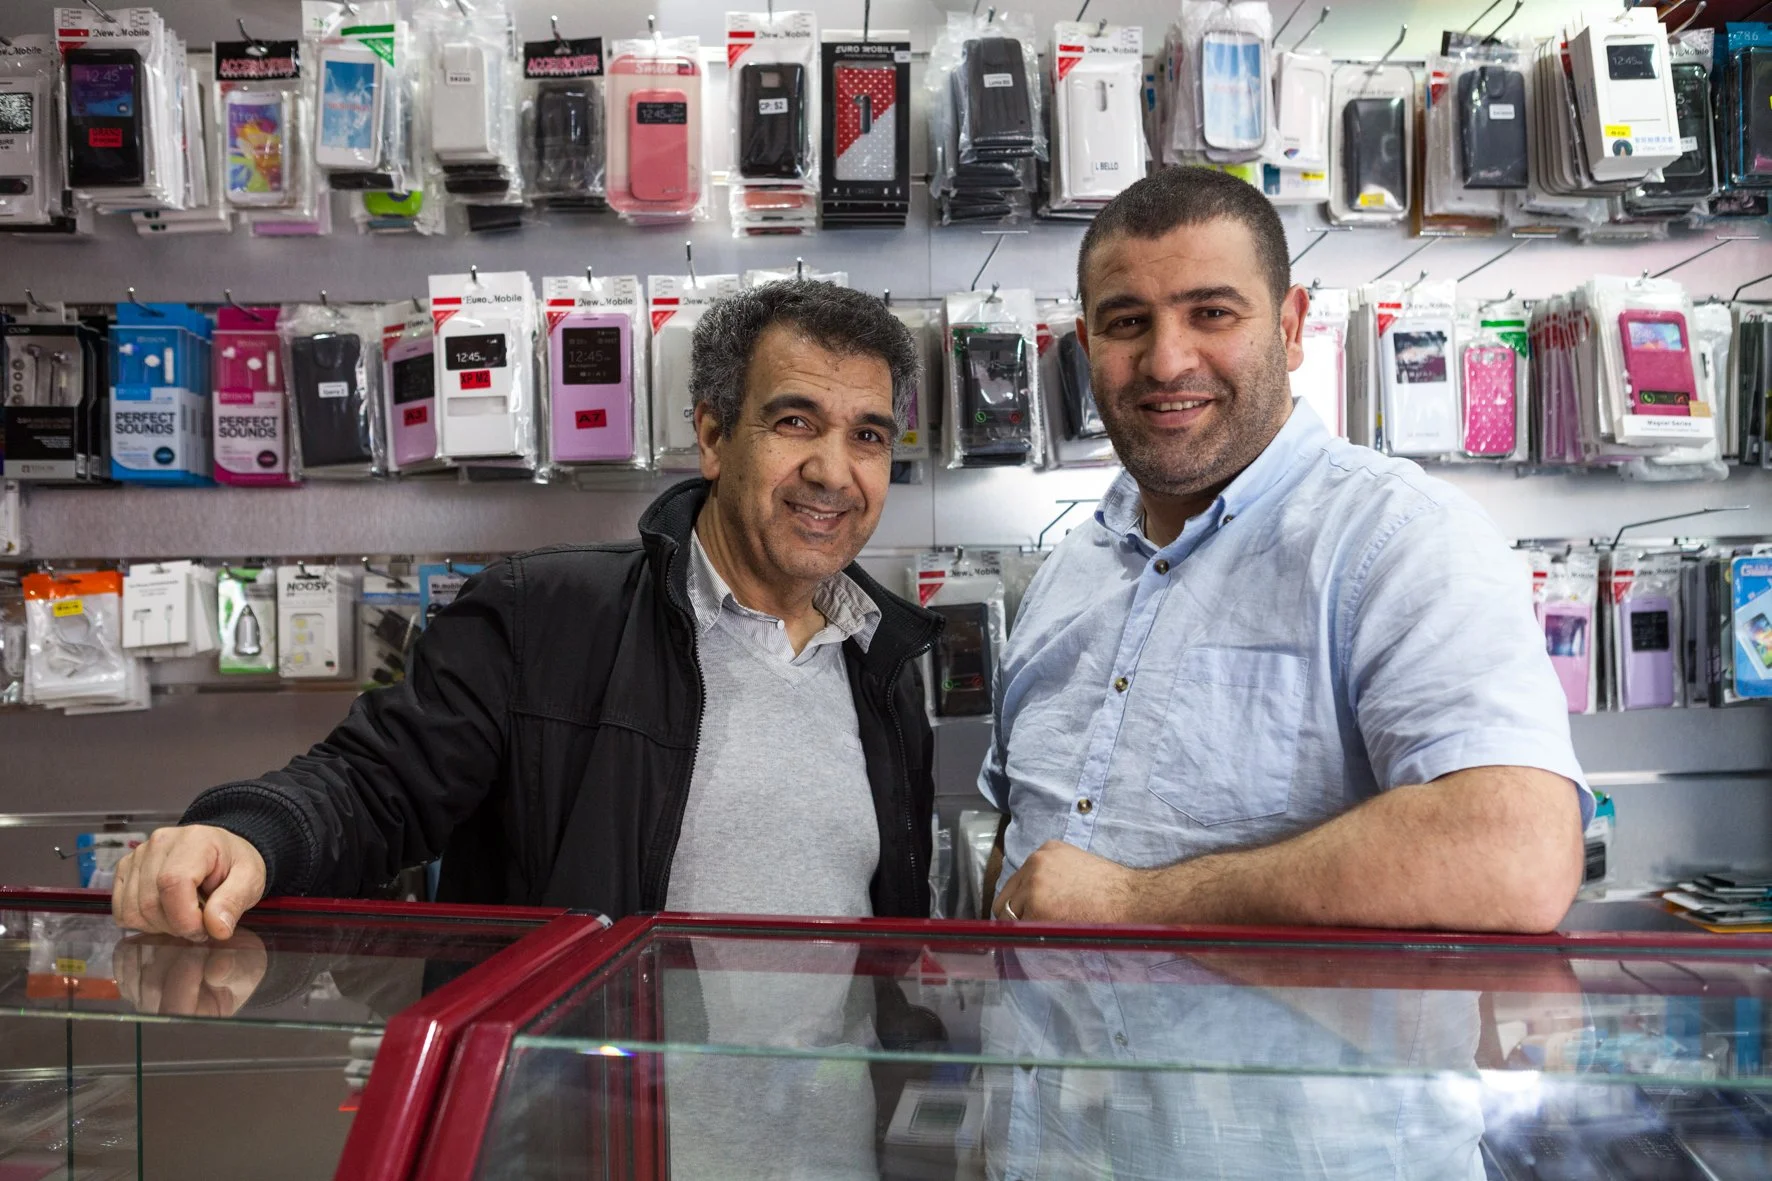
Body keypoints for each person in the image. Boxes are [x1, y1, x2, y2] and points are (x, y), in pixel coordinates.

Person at [111, 280, 942, 941]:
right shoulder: (541, 617)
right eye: (795, 421)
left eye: (868, 436)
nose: (833, 471)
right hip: (602, 1105)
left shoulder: (885, 665)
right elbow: (372, 787)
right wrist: (247, 836)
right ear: (715, 436)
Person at [985, 167, 1589, 933]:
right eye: (1127, 321)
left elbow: (1515, 855)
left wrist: (1133, 903)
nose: (1166, 360)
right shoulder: (1067, 570)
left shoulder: (1398, 539)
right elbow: (1017, 835)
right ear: (1087, 344)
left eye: (1211, 312)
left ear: (1292, 327)